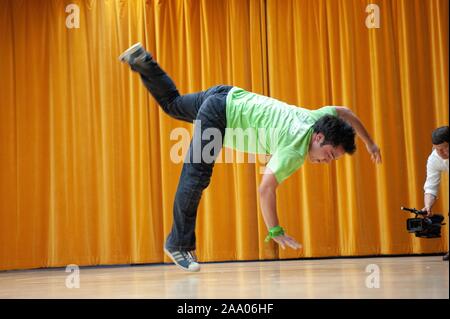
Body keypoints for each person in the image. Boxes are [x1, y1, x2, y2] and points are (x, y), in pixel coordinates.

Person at [119, 43, 382, 272]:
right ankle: (178, 244)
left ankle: (143, 61)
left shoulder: (316, 118)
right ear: (319, 138)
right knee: (196, 175)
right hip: (221, 114)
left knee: (173, 106)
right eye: (329, 156)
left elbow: (345, 112)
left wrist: (370, 143)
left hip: (227, 94)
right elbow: (266, 189)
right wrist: (276, 231)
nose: (326, 163)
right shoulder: (294, 150)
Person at [422, 126, 449, 261]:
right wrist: (428, 206)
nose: (441, 152)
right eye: (437, 149)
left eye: (444, 148)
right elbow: (431, 187)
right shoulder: (434, 158)